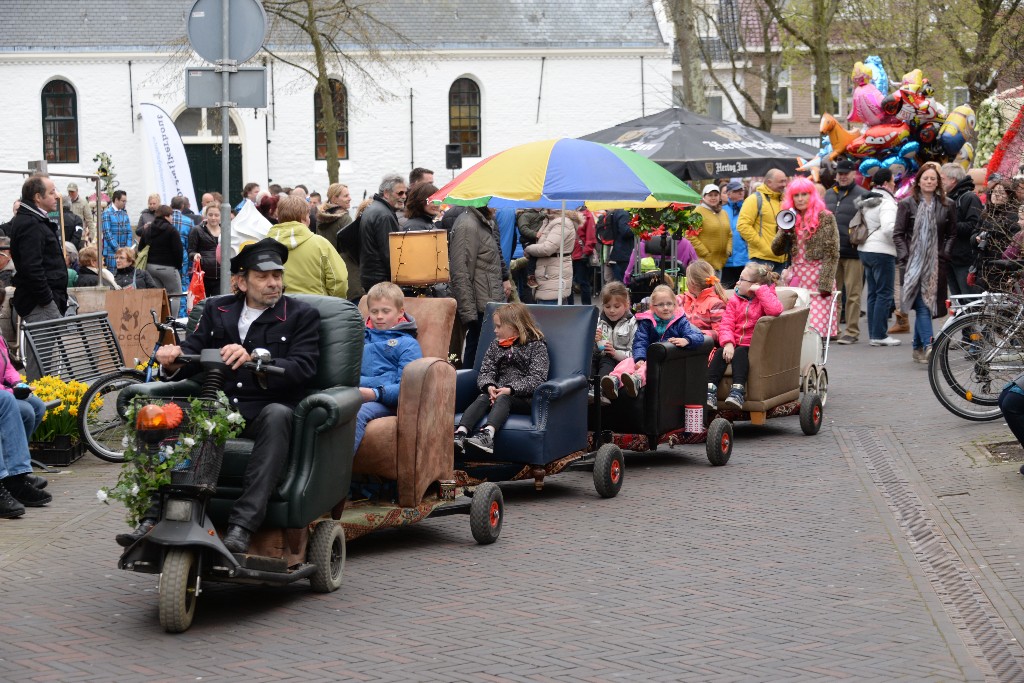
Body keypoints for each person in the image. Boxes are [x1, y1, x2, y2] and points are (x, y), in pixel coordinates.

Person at [119, 239, 322, 552]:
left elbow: (305, 368)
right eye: (263, 276)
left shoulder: (300, 315)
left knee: (279, 414)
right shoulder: (216, 309)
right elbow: (192, 353)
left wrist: (257, 360)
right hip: (218, 408)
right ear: (240, 282)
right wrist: (172, 357)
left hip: (265, 411)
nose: (273, 283)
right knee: (162, 412)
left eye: (277, 276)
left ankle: (242, 526)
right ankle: (153, 516)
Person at [454, 302, 549, 454]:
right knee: (483, 397)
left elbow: (537, 378)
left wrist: (510, 390)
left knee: (504, 399)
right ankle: (461, 432)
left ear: (515, 327)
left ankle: (488, 435)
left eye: (498, 327)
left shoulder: (536, 346)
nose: (495, 330)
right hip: (497, 393)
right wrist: (489, 386)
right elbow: (486, 371)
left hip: (523, 398)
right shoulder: (495, 346)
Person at [893, 161, 957, 363]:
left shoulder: (948, 205)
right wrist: (905, 256)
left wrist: (944, 253)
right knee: (923, 306)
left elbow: (952, 234)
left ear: (938, 182)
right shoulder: (906, 204)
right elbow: (898, 234)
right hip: (913, 265)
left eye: (933, 178)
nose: (929, 181)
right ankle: (930, 345)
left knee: (927, 305)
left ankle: (917, 346)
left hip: (936, 265)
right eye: (925, 178)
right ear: (918, 181)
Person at [601, 284, 704, 400]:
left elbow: (699, 336)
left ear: (675, 305)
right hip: (648, 358)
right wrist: (639, 358)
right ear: (652, 307)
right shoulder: (647, 322)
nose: (666, 307)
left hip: (667, 360)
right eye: (660, 304)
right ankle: (614, 381)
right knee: (628, 361)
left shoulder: (680, 321)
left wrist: (686, 340)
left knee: (649, 365)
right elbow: (640, 341)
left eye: (669, 304)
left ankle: (637, 380)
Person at [353, 282, 422, 453]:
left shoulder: (408, 344)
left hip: (383, 400)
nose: (379, 317)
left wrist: (374, 393)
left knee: (354, 414)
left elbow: (407, 387)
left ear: (400, 312)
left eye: (385, 311)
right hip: (352, 393)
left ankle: (335, 474)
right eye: (374, 311)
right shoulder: (357, 338)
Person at [706, 262, 783, 409]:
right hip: (734, 343)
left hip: (752, 346)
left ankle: (737, 392)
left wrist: (760, 291)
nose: (737, 282)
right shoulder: (735, 300)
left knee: (741, 352)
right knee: (720, 352)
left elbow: (775, 310)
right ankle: (710, 391)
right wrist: (728, 342)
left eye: (742, 279)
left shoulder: (764, 298)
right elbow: (726, 323)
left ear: (755, 284)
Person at [772, 176, 840, 339]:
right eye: (796, 195)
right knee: (798, 330)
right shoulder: (789, 218)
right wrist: (785, 231)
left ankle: (816, 362)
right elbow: (776, 250)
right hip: (797, 280)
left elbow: (832, 253)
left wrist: (825, 284)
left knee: (815, 330)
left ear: (812, 196)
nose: (800, 199)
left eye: (804, 194)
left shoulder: (826, 217)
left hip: (818, 280)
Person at [9, 175, 68, 335]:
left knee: (45, 357)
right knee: (41, 358)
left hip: (43, 301)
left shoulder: (34, 219)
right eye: (51, 192)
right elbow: (32, 268)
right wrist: (47, 301)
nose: (57, 195)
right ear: (37, 197)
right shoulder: (30, 223)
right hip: (39, 305)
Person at [449, 206, 508, 366]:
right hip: (480, 305)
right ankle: (469, 389)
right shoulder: (468, 224)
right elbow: (460, 271)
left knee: (484, 353)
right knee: (476, 354)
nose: (497, 205)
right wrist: (469, 314)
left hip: (488, 301)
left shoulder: (480, 221)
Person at [855, 168, 902, 346]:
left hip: (865, 249)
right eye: (893, 181)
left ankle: (874, 334)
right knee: (884, 293)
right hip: (882, 251)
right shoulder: (887, 202)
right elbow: (890, 228)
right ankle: (880, 335)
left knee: (873, 293)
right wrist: (898, 243)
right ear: (886, 183)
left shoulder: (867, 199)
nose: (895, 184)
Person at [824, 158, 868, 344]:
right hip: (832, 252)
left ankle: (851, 331)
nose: (842, 177)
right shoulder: (827, 195)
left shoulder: (863, 195)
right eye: (840, 174)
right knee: (833, 294)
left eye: (846, 173)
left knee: (853, 293)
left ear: (853, 174)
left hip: (853, 251)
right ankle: (834, 329)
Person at [266, 196, 348, 297]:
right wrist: (332, 304)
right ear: (304, 217)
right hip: (317, 307)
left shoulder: (264, 246)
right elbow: (339, 280)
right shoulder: (321, 244)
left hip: (279, 308)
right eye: (308, 215)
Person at [941, 163, 984, 300]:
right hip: (950, 259)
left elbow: (974, 226)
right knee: (958, 303)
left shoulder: (969, 197)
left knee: (971, 302)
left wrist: (948, 224)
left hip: (964, 260)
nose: (939, 182)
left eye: (942, 178)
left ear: (952, 180)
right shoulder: (948, 198)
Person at [359, 174, 406, 291]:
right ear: (386, 193)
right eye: (400, 193)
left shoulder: (375, 208)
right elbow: (389, 253)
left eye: (405, 193)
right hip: (381, 280)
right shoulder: (384, 215)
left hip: (372, 277)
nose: (404, 196)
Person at [736, 169, 788, 274]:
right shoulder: (754, 199)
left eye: (785, 181)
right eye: (781, 181)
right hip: (761, 260)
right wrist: (764, 246)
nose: (784, 184)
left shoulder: (785, 200)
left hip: (783, 261)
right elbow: (742, 226)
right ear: (769, 182)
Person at [594, 281, 637, 402]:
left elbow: (633, 354)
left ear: (626, 304)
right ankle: (590, 390)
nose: (611, 310)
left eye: (616, 306)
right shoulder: (598, 322)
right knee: (593, 359)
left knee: (607, 360)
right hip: (602, 357)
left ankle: (601, 391)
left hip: (622, 361)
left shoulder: (633, 323)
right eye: (607, 307)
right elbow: (595, 352)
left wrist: (614, 353)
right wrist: (594, 342)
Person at [524, 209, 578, 304]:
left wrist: (529, 249)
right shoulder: (549, 220)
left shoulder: (561, 222)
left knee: (549, 313)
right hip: (549, 275)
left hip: (552, 276)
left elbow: (547, 248)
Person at [139, 205, 184, 303]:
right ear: (166, 216)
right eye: (171, 216)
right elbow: (178, 251)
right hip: (168, 267)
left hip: (150, 267)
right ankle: (172, 318)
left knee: (157, 296)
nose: (172, 218)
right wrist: (178, 266)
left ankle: (158, 318)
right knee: (175, 294)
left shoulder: (148, 229)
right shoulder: (172, 230)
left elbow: (140, 248)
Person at [680, 260, 727, 343]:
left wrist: (696, 335)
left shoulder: (715, 304)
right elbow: (671, 300)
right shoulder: (686, 298)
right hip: (685, 342)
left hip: (703, 347)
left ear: (692, 283)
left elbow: (720, 333)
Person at [690, 184, 733, 275]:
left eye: (716, 195)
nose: (713, 198)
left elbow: (729, 234)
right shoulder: (698, 212)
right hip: (704, 264)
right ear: (704, 197)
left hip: (720, 263)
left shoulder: (723, 213)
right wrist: (704, 252)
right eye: (710, 195)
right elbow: (690, 235)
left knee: (717, 288)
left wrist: (728, 250)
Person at [188, 204, 223, 296]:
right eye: (210, 215)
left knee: (219, 304)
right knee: (203, 306)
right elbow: (191, 251)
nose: (213, 218)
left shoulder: (226, 230)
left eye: (216, 215)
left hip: (221, 276)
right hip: (203, 276)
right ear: (205, 215)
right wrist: (195, 255)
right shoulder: (197, 230)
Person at [721, 180, 749, 288]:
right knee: (726, 292)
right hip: (726, 260)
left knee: (744, 292)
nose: (740, 193)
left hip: (744, 260)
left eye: (741, 190)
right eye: (737, 191)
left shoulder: (747, 208)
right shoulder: (722, 210)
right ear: (729, 194)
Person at [571, 207, 598, 305]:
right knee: (569, 283)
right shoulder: (570, 213)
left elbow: (591, 237)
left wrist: (586, 252)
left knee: (583, 282)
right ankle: (570, 307)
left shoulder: (587, 215)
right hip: (571, 253)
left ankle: (586, 307)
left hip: (580, 254)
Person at [101, 190, 131, 271]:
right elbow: (107, 233)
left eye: (125, 201)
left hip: (124, 252)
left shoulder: (124, 213)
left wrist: (127, 248)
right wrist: (118, 249)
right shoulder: (106, 213)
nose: (125, 203)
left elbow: (129, 232)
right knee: (113, 277)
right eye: (123, 201)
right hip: (112, 252)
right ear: (116, 200)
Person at [604, 209, 636, 283]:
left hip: (619, 252)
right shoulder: (624, 214)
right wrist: (637, 227)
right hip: (624, 253)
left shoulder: (618, 212)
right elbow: (625, 231)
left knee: (621, 281)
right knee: (624, 281)